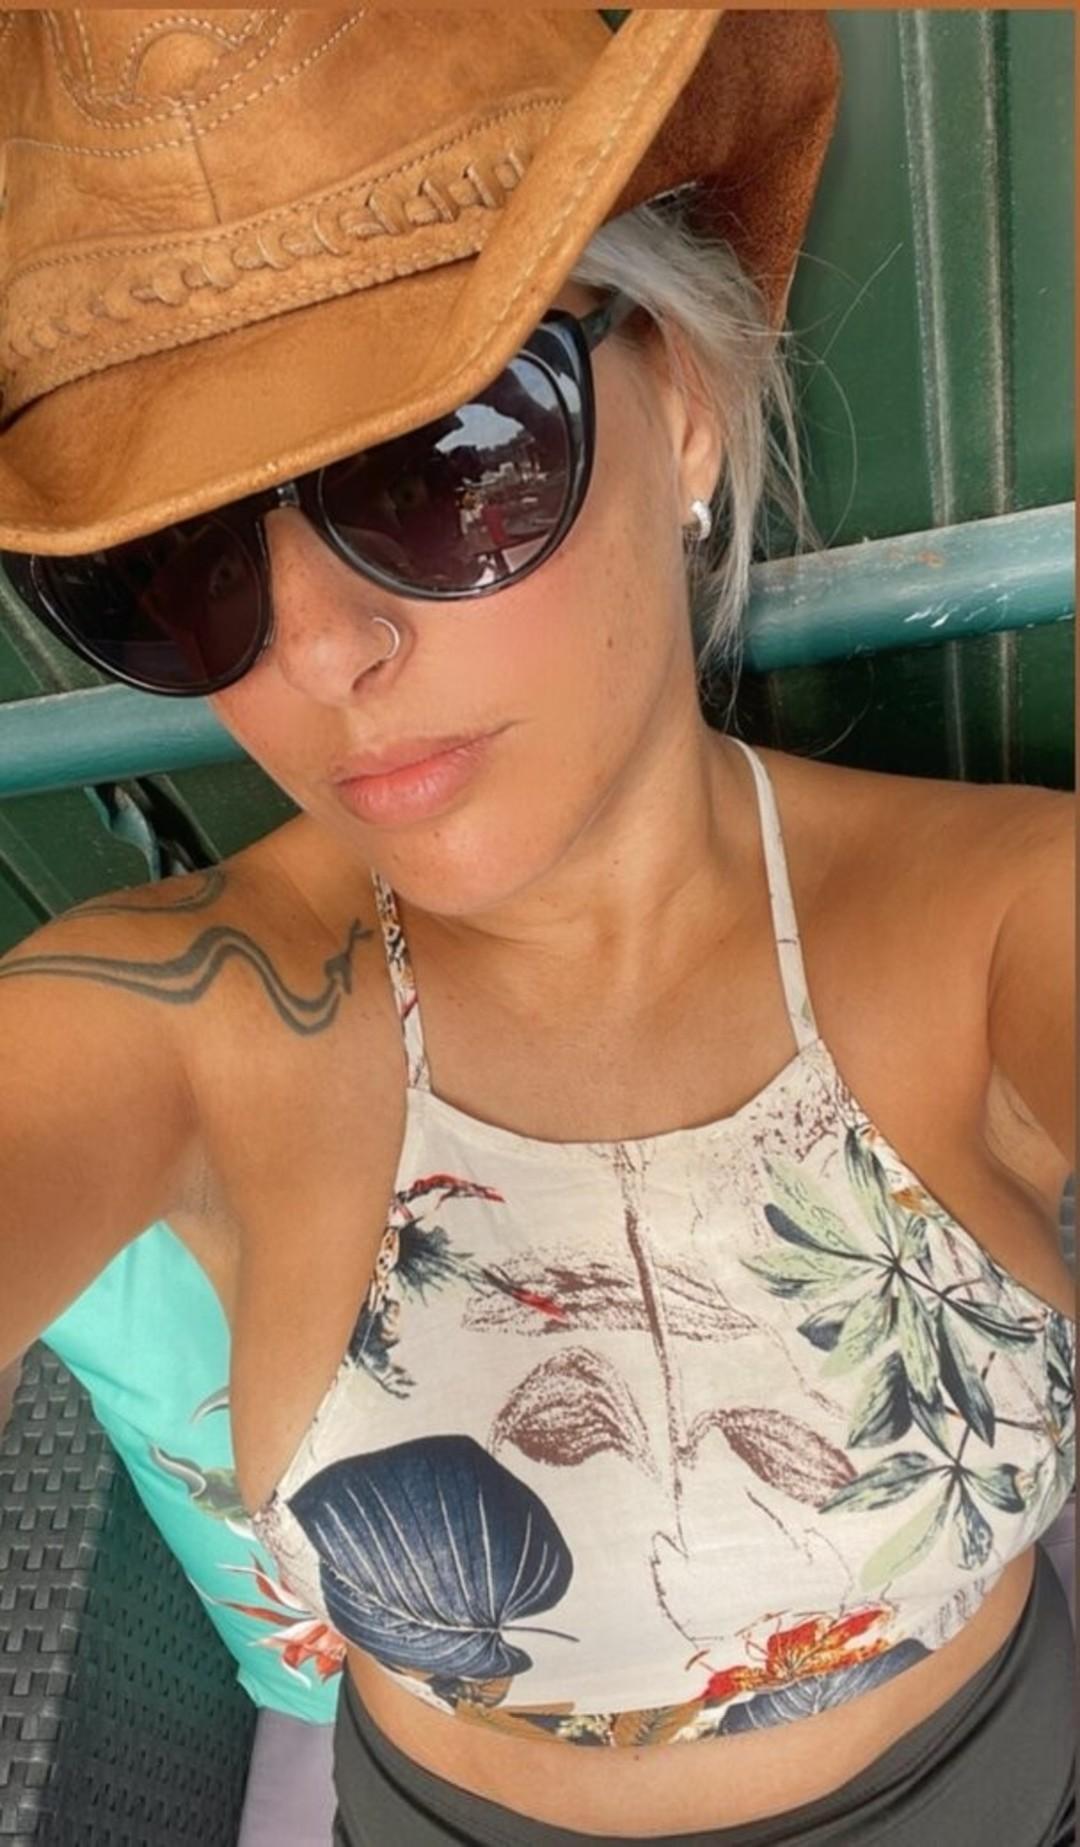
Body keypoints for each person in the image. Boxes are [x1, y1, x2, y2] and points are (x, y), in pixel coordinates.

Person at [0, 11, 1074, 1846]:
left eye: (435, 465)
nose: (320, 651)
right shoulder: (184, 1019)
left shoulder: (999, 925)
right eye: (175, 564)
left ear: (685, 402)